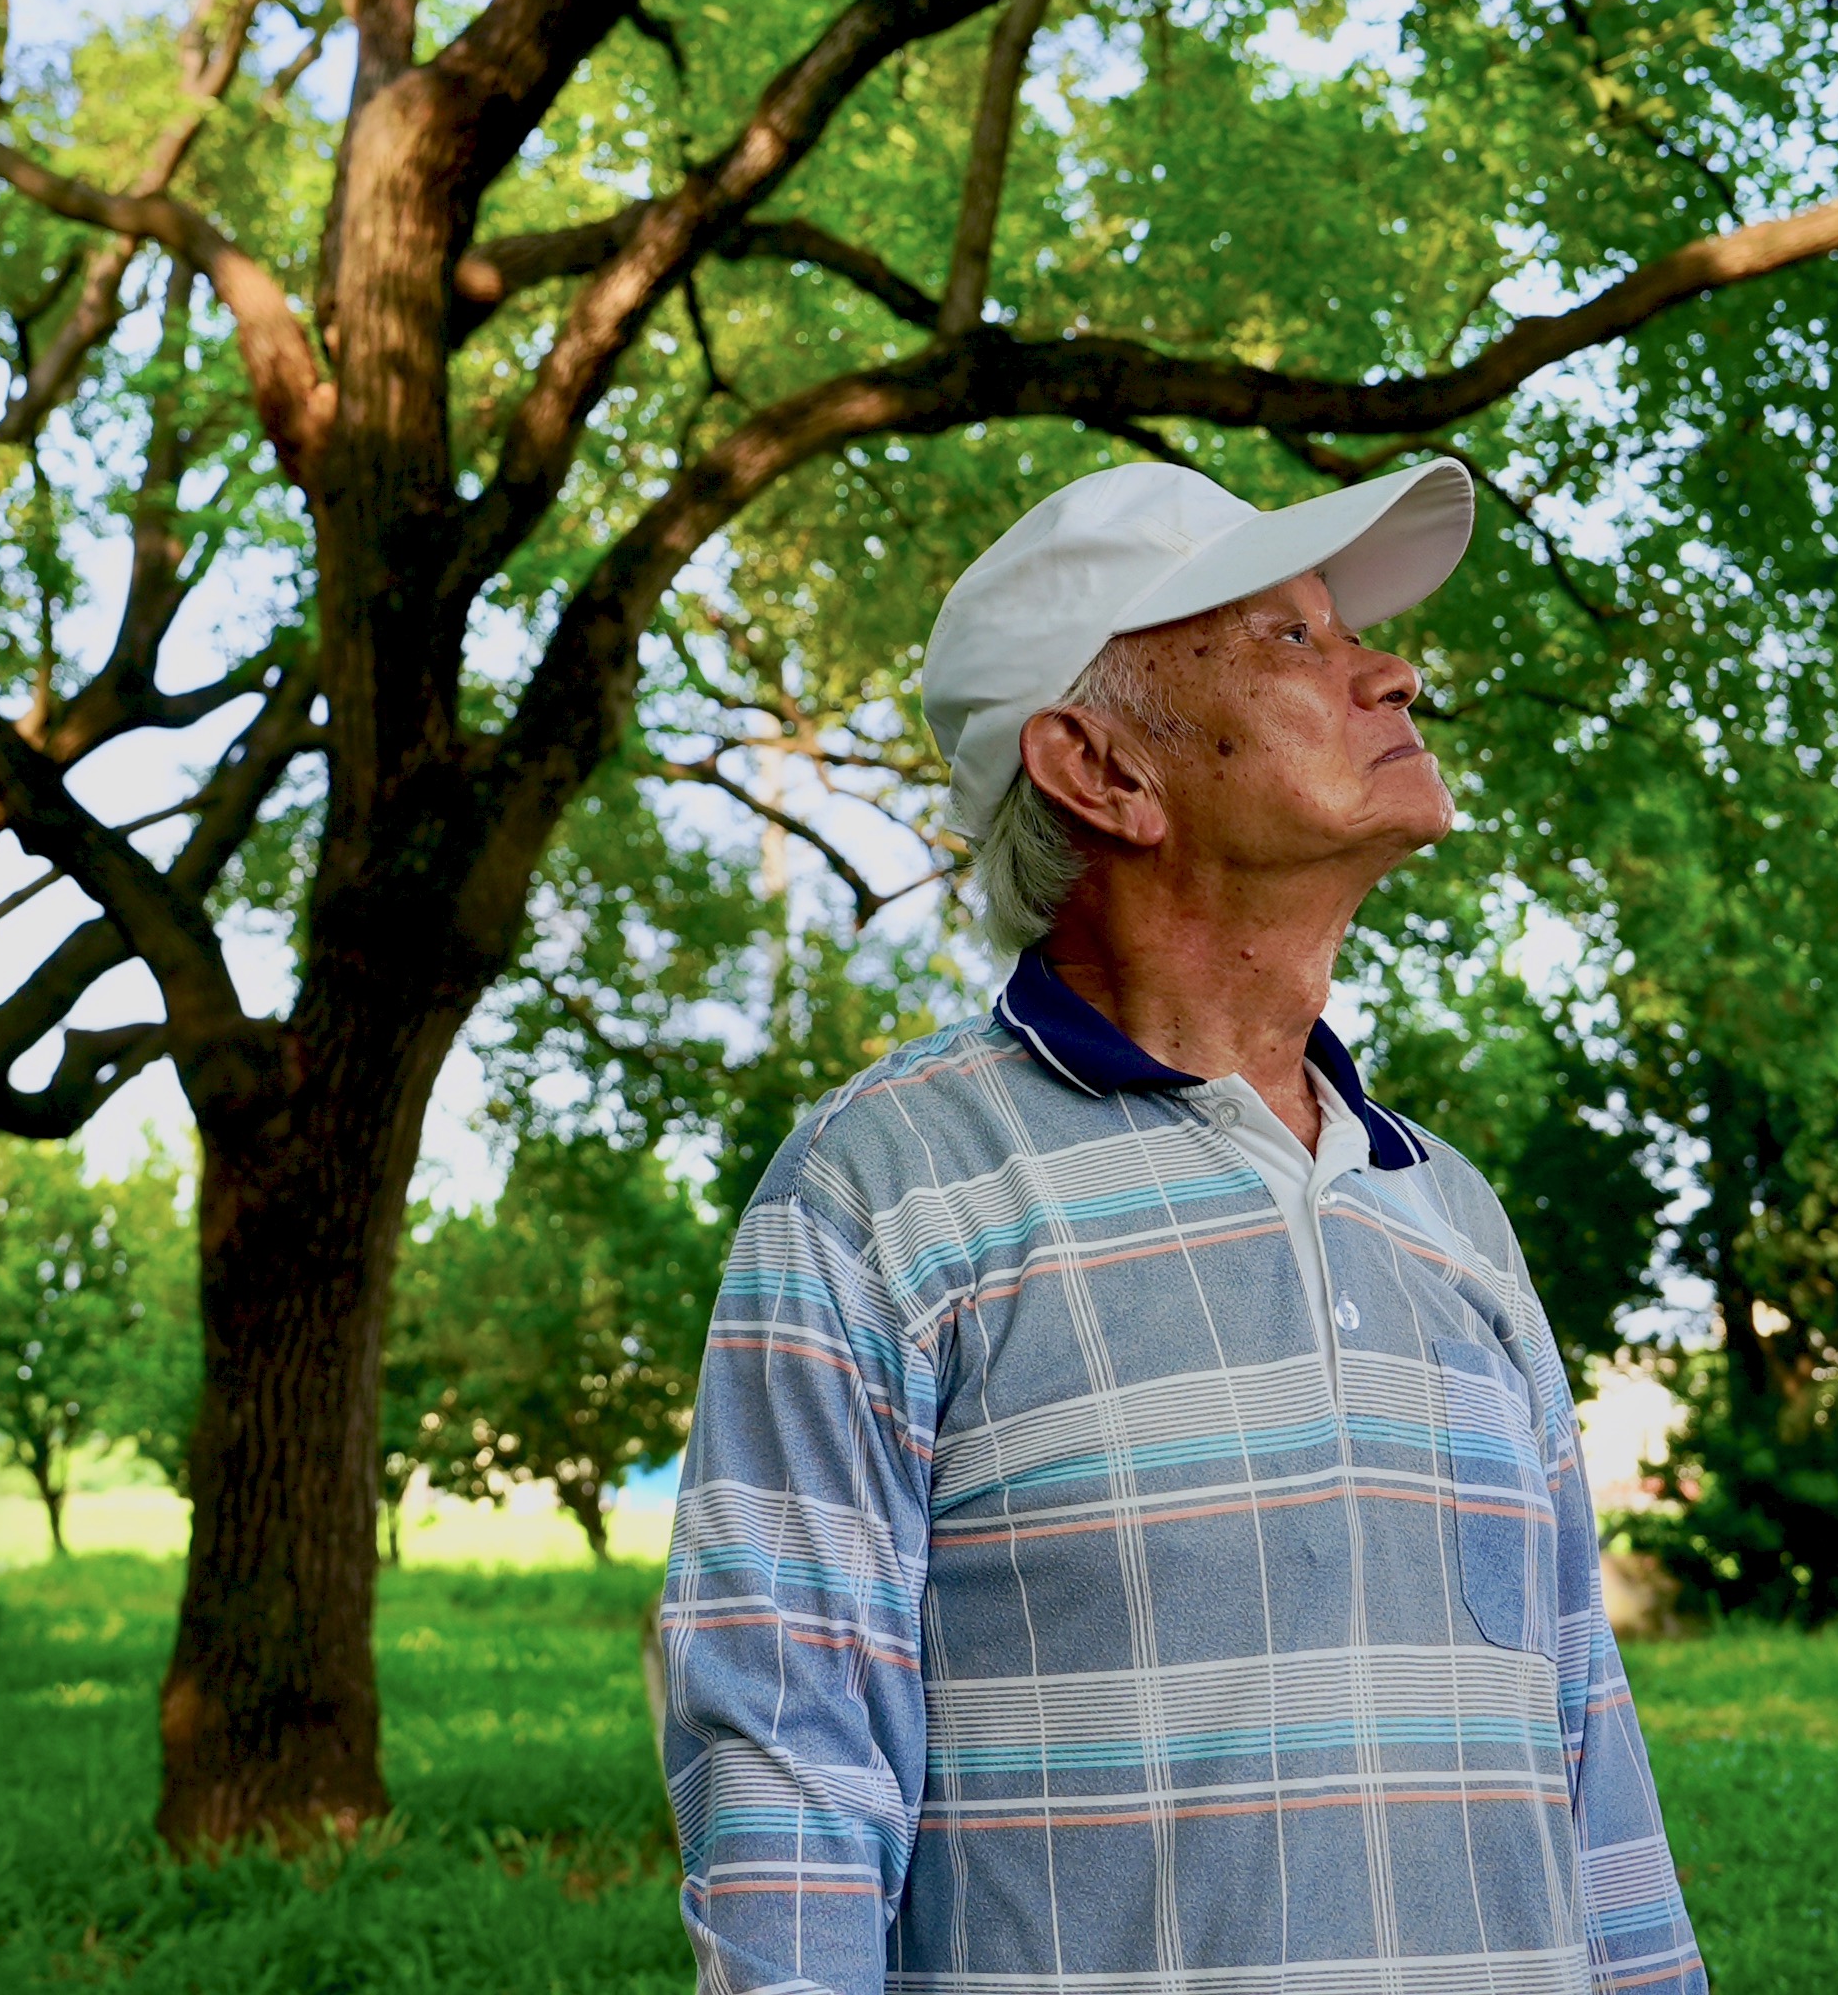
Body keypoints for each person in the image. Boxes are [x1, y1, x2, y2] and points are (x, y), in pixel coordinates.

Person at [657, 459, 1705, 1995]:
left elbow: (1582, 1733)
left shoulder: (1452, 1214)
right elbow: (789, 1778)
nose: (1390, 668)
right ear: (1102, 772)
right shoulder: (881, 1190)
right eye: (1290, 639)